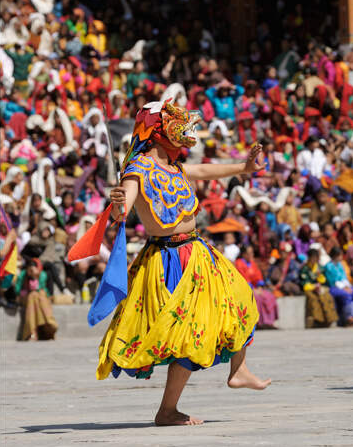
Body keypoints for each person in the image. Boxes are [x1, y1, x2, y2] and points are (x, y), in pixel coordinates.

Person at [97, 101, 270, 427]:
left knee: (237, 301)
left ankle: (238, 369)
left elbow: (203, 170)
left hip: (198, 252)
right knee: (187, 331)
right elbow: (125, 208)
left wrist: (242, 169)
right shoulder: (138, 169)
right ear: (160, 130)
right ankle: (168, 410)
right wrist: (119, 206)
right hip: (168, 260)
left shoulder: (173, 166)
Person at [324, 246, 353, 326]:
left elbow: (344, 277)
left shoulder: (340, 265)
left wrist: (347, 286)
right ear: (335, 255)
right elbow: (332, 280)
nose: (341, 257)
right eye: (339, 255)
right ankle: (348, 316)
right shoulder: (328, 266)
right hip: (334, 287)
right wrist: (344, 288)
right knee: (346, 294)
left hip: (344, 285)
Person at [14, 258, 58, 341]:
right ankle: (47, 326)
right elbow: (17, 290)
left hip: (38, 298)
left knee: (36, 295)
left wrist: (35, 277)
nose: (31, 271)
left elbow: (42, 288)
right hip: (25, 297)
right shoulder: (23, 275)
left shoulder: (42, 274)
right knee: (33, 296)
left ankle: (32, 332)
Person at [299, 248, 338, 328]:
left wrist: (319, 275)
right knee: (313, 299)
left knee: (326, 296)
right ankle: (317, 320)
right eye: (312, 258)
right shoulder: (305, 268)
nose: (314, 260)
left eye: (315, 258)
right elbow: (304, 283)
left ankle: (329, 319)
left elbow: (323, 280)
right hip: (309, 288)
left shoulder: (319, 268)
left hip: (319, 287)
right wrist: (313, 287)